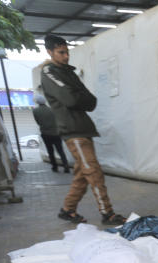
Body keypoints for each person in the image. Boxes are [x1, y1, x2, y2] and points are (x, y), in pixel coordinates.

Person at [40, 34, 125, 225]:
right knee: (94, 173)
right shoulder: (49, 72)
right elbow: (71, 99)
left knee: (82, 175)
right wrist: (79, 97)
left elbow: (91, 101)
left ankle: (67, 209)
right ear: (50, 52)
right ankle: (108, 213)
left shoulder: (69, 72)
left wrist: (78, 97)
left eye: (67, 52)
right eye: (61, 52)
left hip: (84, 129)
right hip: (73, 132)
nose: (66, 56)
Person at [32, 95, 69, 173]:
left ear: (37, 102)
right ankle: (66, 167)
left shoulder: (35, 111)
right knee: (60, 150)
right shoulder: (52, 109)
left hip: (46, 133)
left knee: (50, 151)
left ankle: (54, 167)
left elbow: (38, 122)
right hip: (56, 133)